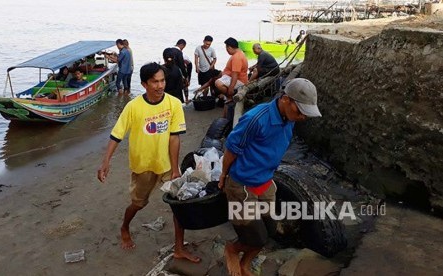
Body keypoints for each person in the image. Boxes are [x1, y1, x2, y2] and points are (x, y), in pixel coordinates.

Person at [218, 78, 322, 276]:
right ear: (285, 100)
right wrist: (223, 176)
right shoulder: (256, 119)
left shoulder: (289, 119)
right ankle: (232, 249)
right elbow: (231, 149)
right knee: (255, 236)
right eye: (300, 111)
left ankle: (245, 264)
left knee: (270, 231)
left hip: (265, 181)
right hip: (242, 184)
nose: (302, 118)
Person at [97, 62, 200, 262]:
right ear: (144, 84)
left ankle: (179, 248)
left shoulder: (173, 103)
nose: (160, 86)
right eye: (155, 82)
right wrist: (105, 162)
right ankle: (125, 226)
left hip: (166, 165)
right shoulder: (133, 107)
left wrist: (175, 168)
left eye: (162, 81)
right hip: (143, 165)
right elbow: (116, 135)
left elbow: (174, 137)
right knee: (138, 204)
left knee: (178, 205)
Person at [215, 37, 248, 122]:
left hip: (239, 81)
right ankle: (225, 113)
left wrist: (231, 88)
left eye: (227, 48)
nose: (227, 51)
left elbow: (235, 74)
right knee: (226, 98)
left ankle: (229, 96)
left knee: (218, 83)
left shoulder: (237, 57)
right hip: (235, 78)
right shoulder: (239, 53)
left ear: (229, 47)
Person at [174, 39, 192, 103]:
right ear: (182, 45)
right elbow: (188, 64)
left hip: (169, 73)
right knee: (185, 84)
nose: (182, 49)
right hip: (178, 73)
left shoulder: (169, 51)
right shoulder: (180, 54)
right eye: (183, 47)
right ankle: (186, 99)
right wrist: (187, 77)